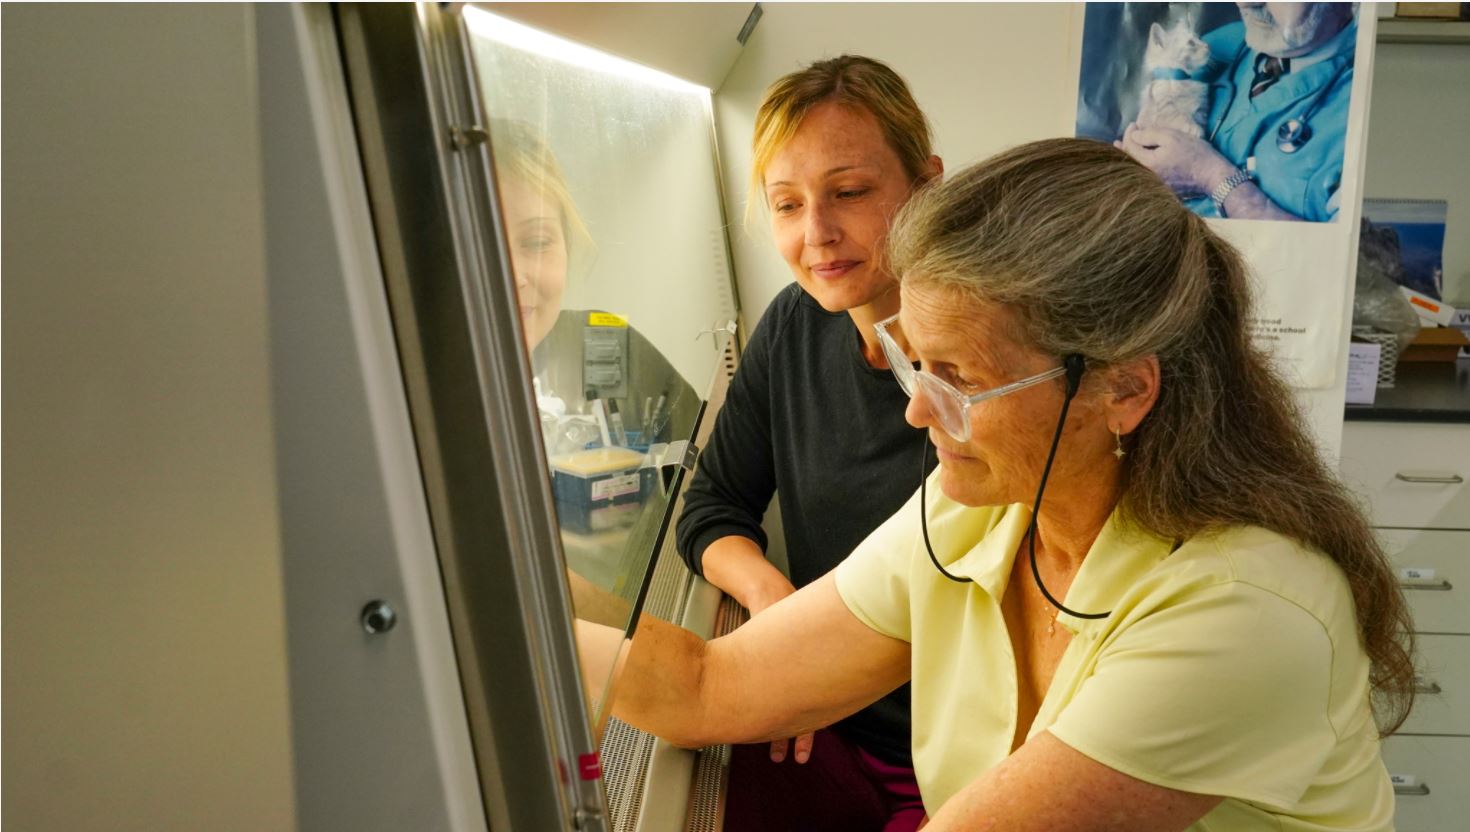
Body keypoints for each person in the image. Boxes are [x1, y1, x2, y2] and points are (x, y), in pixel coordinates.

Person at [616, 138, 1415, 830]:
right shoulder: (982, 513)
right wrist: (508, 574)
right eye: (916, 364)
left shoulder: (1242, 608)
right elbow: (709, 686)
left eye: (958, 378)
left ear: (1123, 392)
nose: (917, 411)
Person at [673, 56, 941, 831]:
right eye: (786, 204)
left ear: (926, 184)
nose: (816, 233)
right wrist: (772, 602)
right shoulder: (794, 325)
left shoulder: (999, 353)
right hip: (827, 729)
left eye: (850, 193)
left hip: (962, 752)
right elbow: (713, 506)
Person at [490, 117, 698, 450]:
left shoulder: (602, 340)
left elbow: (711, 472)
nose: (514, 275)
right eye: (484, 245)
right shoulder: (405, 399)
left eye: (537, 242)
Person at [1117, 2, 1357, 222]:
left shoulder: (1364, 110)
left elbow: (1333, 262)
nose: (1246, 3)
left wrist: (1211, 176)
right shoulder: (1219, 44)